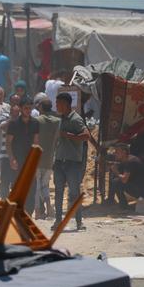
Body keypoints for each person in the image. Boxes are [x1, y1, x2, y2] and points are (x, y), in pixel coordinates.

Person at [53, 92, 90, 231]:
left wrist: (68, 135)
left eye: (59, 103)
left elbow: (86, 135)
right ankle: (58, 221)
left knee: (74, 193)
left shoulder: (75, 119)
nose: (57, 106)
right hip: (59, 161)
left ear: (66, 104)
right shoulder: (60, 119)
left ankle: (79, 222)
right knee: (58, 192)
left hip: (72, 162)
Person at [6, 96, 40, 211]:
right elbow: (8, 143)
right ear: (20, 108)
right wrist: (11, 159)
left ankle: (28, 214)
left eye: (30, 108)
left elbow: (36, 142)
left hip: (29, 160)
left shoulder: (35, 123)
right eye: (26, 108)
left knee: (31, 188)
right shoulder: (13, 124)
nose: (28, 110)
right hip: (17, 161)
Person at [34, 98, 60, 219]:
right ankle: (49, 207)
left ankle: (38, 211)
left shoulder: (37, 120)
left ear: (41, 108)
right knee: (45, 185)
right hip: (50, 157)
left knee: (36, 186)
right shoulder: (57, 121)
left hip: (37, 157)